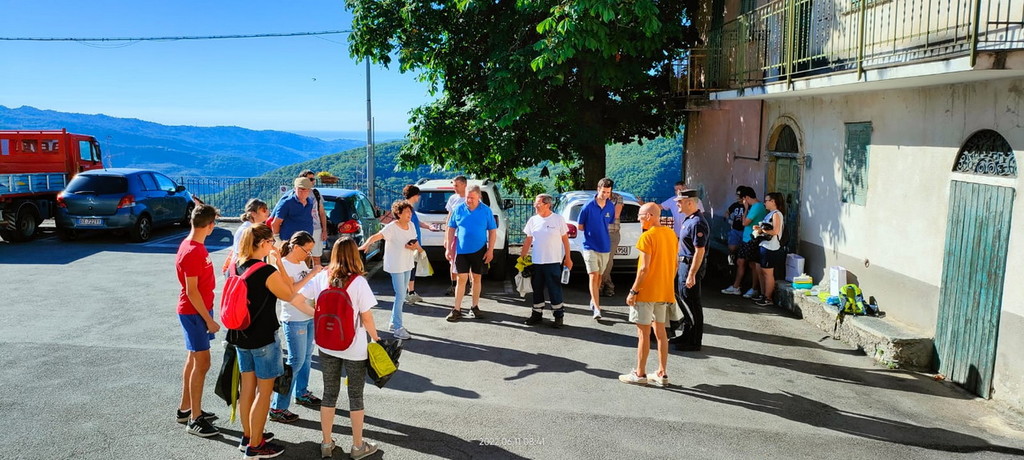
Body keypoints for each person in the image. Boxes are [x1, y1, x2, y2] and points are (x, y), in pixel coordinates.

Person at [293, 237, 380, 460]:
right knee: (356, 396)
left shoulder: (322, 277)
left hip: (326, 345)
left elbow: (296, 300)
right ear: (354, 256)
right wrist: (376, 338)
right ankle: (358, 446)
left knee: (329, 393)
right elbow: (367, 317)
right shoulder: (359, 282)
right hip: (354, 347)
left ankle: (326, 443)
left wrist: (317, 315)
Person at [228, 223, 301, 459]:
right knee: (264, 392)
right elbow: (289, 294)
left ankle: (248, 435)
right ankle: (255, 446)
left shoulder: (236, 265)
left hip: (240, 335)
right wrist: (279, 262)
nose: (273, 245)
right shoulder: (266, 271)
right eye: (271, 242)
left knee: (247, 388)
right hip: (263, 338)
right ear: (262, 243)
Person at [620, 202, 680, 386]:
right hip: (664, 291)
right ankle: (662, 373)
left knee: (643, 334)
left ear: (649, 216)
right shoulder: (671, 234)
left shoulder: (647, 237)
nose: (638, 219)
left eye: (640, 216)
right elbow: (675, 264)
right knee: (661, 333)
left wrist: (633, 291)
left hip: (646, 292)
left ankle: (640, 373)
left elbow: (644, 269)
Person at [268, 231, 323, 423]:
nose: (309, 254)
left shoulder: (301, 263)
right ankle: (278, 407)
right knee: (296, 361)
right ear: (296, 247)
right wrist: (313, 273)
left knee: (306, 358)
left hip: (307, 316)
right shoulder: (283, 264)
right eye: (307, 250)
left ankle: (301, 392)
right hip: (294, 318)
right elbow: (291, 291)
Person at [175, 204, 221, 437]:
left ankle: (186, 409)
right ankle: (195, 419)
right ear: (210, 226)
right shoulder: (193, 251)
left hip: (197, 311)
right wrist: (208, 321)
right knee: (203, 364)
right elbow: (191, 291)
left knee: (193, 359)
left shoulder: (193, 245)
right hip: (195, 313)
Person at [359, 200, 424, 339]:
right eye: (406, 212)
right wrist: (366, 244)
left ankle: (394, 323)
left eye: (410, 212)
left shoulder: (411, 225)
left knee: (401, 295)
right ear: (398, 214)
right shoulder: (391, 227)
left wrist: (418, 249)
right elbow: (377, 236)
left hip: (407, 263)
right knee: (400, 295)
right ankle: (398, 328)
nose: (409, 214)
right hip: (396, 265)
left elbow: (415, 241)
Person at [445, 185, 497, 322]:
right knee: (461, 279)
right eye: (467, 197)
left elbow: (492, 231)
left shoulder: (486, 210)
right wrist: (448, 248)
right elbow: (450, 228)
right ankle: (456, 309)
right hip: (461, 250)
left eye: (472, 198)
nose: (469, 200)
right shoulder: (458, 209)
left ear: (479, 197)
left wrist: (490, 250)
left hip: (479, 250)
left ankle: (474, 307)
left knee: (476, 278)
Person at [521, 194, 573, 327]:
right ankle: (537, 314)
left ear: (547, 205)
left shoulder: (558, 219)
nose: (535, 205)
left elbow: (565, 240)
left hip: (553, 261)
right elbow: (528, 239)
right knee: (537, 289)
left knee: (554, 289)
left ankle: (558, 316)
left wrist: (568, 258)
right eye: (535, 203)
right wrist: (522, 257)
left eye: (538, 203)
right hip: (537, 262)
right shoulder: (533, 220)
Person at [669, 190, 709, 352]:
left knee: (692, 303)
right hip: (684, 265)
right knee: (685, 302)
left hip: (690, 266)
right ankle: (686, 335)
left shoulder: (697, 222)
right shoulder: (689, 219)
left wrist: (691, 274)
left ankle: (694, 341)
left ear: (690, 203)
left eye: (680, 201)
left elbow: (699, 251)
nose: (677, 204)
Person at [577, 178, 616, 319]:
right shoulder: (588, 206)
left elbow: (609, 222)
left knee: (599, 277)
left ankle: (593, 299)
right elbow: (580, 226)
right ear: (598, 189)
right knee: (593, 276)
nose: (605, 195)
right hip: (590, 246)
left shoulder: (610, 206)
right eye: (603, 192)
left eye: (608, 192)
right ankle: (597, 308)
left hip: (604, 246)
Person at [721, 187, 767, 298]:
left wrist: (746, 209)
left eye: (743, 199)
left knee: (751, 264)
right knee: (742, 262)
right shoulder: (757, 206)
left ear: (746, 198)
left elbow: (745, 223)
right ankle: (737, 286)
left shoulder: (756, 207)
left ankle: (753, 288)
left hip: (752, 239)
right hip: (747, 239)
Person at [402, 184, 439, 303]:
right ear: (415, 195)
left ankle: (411, 292)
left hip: (414, 243)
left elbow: (416, 222)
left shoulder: (410, 208)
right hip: (411, 244)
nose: (419, 197)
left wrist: (428, 227)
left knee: (411, 268)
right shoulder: (406, 209)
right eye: (418, 195)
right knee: (409, 269)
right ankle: (408, 293)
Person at [752, 192, 786, 307]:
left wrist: (761, 230)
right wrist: (759, 228)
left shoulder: (776, 214)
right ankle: (763, 294)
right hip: (763, 245)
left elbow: (775, 231)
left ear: (773, 201)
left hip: (771, 247)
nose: (764, 203)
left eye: (766, 201)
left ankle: (768, 297)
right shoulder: (769, 214)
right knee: (761, 271)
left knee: (768, 273)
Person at [222, 199, 269, 276]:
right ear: (253, 213)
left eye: (267, 209)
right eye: (264, 210)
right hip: (243, 270)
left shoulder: (252, 227)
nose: (267, 212)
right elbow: (242, 254)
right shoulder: (246, 230)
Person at [271, 177, 316, 244]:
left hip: (306, 242)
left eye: (306, 189)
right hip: (289, 242)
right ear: (295, 189)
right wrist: (277, 239)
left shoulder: (310, 202)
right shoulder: (287, 203)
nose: (303, 192)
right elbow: (275, 223)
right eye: (300, 189)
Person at [443, 176, 468, 296]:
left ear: (464, 185)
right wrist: (446, 238)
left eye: (456, 185)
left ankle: (469, 286)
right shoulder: (453, 198)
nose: (454, 188)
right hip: (454, 235)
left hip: (467, 236)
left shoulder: (470, 198)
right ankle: (453, 285)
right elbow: (449, 218)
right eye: (453, 185)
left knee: (468, 260)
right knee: (453, 261)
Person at [300, 170, 329, 267]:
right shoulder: (296, 194)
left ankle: (317, 275)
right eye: (311, 179)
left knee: (316, 257)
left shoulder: (316, 193)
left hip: (316, 229)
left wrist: (324, 230)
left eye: (313, 179)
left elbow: (322, 213)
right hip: (302, 229)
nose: (313, 181)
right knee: (302, 257)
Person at [599, 189, 623, 297]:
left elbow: (616, 215)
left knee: (608, 260)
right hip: (600, 233)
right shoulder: (596, 199)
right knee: (601, 260)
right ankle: (607, 285)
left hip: (612, 233)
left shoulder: (617, 198)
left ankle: (601, 285)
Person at [726, 187, 747, 266]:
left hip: (744, 230)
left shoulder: (748, 206)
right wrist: (729, 219)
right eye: (737, 195)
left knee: (743, 250)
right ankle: (731, 262)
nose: (737, 197)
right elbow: (727, 212)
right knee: (731, 248)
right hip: (735, 230)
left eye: (739, 196)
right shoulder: (735, 205)